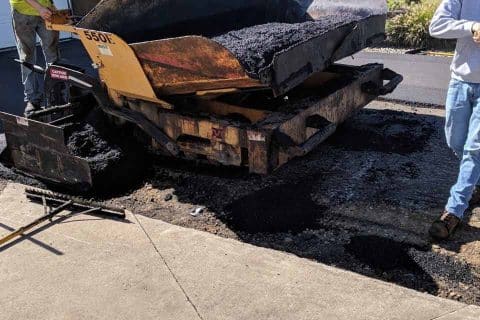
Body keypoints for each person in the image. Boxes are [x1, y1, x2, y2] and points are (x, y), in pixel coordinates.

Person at [429, 0, 480, 239]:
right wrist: (471, 27)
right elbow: (436, 26)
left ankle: (454, 210)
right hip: (460, 81)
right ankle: (475, 182)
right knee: (455, 142)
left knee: (474, 149)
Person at [10, 0, 59, 117]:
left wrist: (50, 4)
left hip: (46, 11)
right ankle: (33, 99)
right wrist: (39, 8)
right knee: (27, 57)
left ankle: (55, 94)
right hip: (22, 12)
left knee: (53, 54)